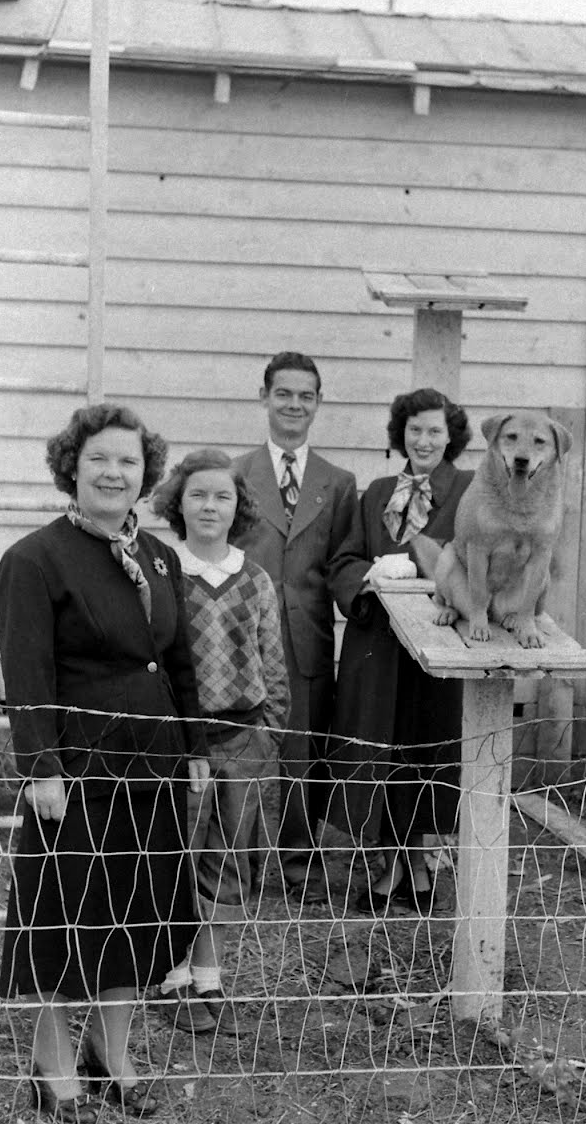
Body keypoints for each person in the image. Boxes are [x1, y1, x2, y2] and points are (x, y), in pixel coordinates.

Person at [0, 403, 210, 1122]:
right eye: (99, 459)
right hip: (78, 772)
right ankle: (53, 1066)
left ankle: (111, 1055)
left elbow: (176, 660)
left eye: (128, 460)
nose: (115, 472)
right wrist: (41, 768)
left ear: (146, 472)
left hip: (154, 765)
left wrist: (194, 747)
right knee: (65, 916)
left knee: (135, 917)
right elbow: (27, 674)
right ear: (71, 468)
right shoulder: (34, 559)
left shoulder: (159, 557)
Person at [149, 449, 288, 1036]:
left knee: (227, 858)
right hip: (182, 741)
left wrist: (268, 733)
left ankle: (209, 977)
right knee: (175, 856)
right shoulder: (160, 570)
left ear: (239, 507)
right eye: (198, 495)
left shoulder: (254, 579)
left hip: (242, 738)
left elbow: (273, 663)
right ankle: (170, 977)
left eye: (222, 496)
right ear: (178, 503)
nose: (210, 506)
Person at [328, 388, 474, 913]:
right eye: (415, 430)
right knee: (381, 752)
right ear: (401, 435)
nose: (424, 440)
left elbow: (479, 557)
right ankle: (395, 867)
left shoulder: (469, 491)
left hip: (438, 642)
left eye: (435, 430)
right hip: (379, 646)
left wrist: (421, 568)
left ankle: (416, 866)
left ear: (451, 436)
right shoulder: (377, 493)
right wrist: (370, 575)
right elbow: (343, 560)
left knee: (425, 749)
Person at [232, 353, 357, 898]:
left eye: (306, 395)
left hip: (308, 638)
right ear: (264, 397)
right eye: (284, 393)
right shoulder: (234, 475)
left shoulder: (338, 482)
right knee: (240, 748)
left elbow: (344, 561)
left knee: (302, 753)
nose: (294, 405)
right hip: (243, 635)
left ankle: (300, 862)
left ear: (318, 403)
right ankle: (238, 864)